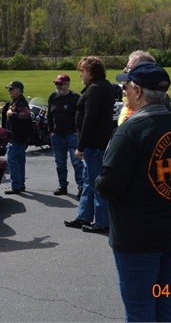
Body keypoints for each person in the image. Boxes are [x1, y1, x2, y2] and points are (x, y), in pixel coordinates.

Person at [96, 61, 171, 322]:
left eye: (126, 86)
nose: (124, 92)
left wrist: (98, 179)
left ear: (138, 91)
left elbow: (108, 186)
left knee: (141, 310)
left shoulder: (130, 131)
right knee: (170, 306)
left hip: (140, 237)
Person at [64, 56, 114, 233]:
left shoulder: (95, 89)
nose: (80, 75)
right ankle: (84, 216)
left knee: (95, 182)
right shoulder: (104, 86)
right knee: (88, 180)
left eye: (82, 71)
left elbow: (89, 119)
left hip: (94, 143)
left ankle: (102, 221)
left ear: (91, 71)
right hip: (97, 142)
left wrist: (81, 145)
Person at [47, 74, 84, 198]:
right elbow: (49, 115)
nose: (58, 86)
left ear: (67, 84)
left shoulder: (75, 98)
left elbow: (82, 116)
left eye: (60, 84)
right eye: (56, 83)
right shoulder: (53, 97)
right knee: (60, 163)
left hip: (72, 135)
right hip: (57, 135)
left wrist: (77, 131)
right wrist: (50, 130)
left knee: (77, 162)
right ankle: (62, 185)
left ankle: (81, 186)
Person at [118, 50, 171, 124]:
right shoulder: (160, 95)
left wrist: (125, 105)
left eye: (130, 68)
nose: (124, 71)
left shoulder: (145, 99)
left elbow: (125, 125)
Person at [0, 80, 33, 194]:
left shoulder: (21, 101)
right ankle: (20, 184)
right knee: (19, 160)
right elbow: (11, 109)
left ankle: (15, 185)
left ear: (18, 90)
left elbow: (26, 114)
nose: (9, 91)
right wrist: (3, 111)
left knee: (12, 160)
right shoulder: (15, 101)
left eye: (11, 89)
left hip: (18, 137)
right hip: (20, 136)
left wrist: (12, 114)